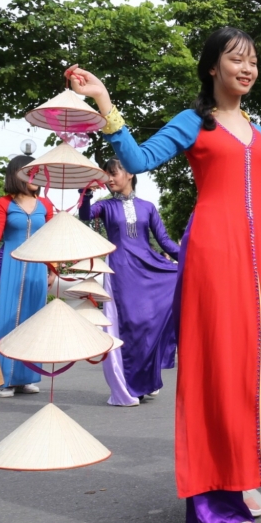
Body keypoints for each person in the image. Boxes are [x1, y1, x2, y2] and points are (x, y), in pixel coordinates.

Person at [66, 26, 261, 523]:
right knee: (222, 373)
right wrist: (105, 101)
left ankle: (244, 472)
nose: (247, 68)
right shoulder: (192, 122)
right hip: (213, 258)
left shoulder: (259, 132)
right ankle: (213, 505)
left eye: (253, 61)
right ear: (211, 68)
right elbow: (136, 161)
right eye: (235, 59)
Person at [79, 159, 181, 406]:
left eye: (113, 174)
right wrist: (86, 195)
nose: (110, 180)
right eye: (107, 176)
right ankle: (127, 385)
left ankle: (145, 380)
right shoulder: (105, 207)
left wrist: (190, 258)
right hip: (120, 271)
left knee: (148, 324)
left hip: (147, 270)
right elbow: (84, 215)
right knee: (129, 326)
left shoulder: (147, 207)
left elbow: (165, 242)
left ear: (130, 174)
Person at [0, 157, 51, 398]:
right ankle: (5, 379)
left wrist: (52, 268)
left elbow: (50, 239)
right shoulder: (4, 202)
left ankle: (26, 377)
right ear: (17, 175)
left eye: (39, 172)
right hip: (9, 265)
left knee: (33, 322)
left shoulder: (46, 204)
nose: (35, 178)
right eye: (31, 172)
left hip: (38, 269)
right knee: (6, 320)